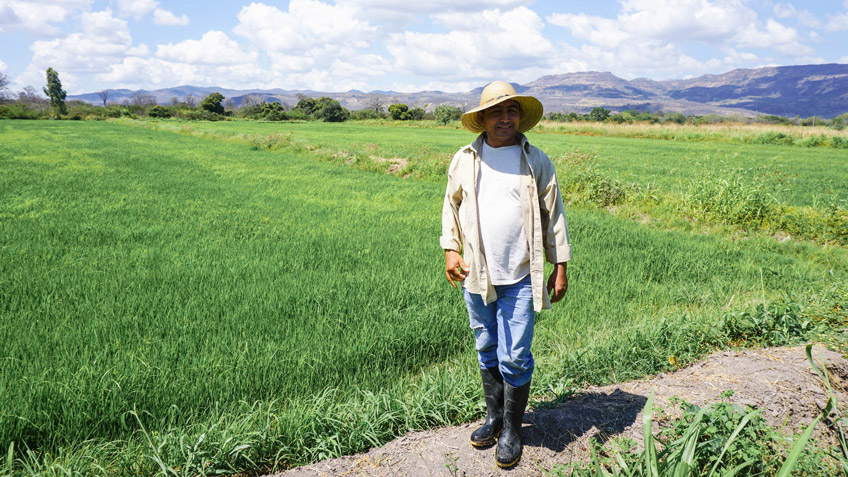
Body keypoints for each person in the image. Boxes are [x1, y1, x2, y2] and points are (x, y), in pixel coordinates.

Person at [440, 81, 571, 468]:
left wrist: (559, 266)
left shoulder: (536, 161)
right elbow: (451, 205)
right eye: (496, 111)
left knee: (515, 355)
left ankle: (513, 429)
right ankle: (494, 417)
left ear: (520, 116)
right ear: (482, 118)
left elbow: (555, 217)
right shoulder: (465, 158)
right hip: (477, 274)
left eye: (511, 110)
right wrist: (451, 249)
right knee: (486, 345)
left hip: (521, 277)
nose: (504, 118)